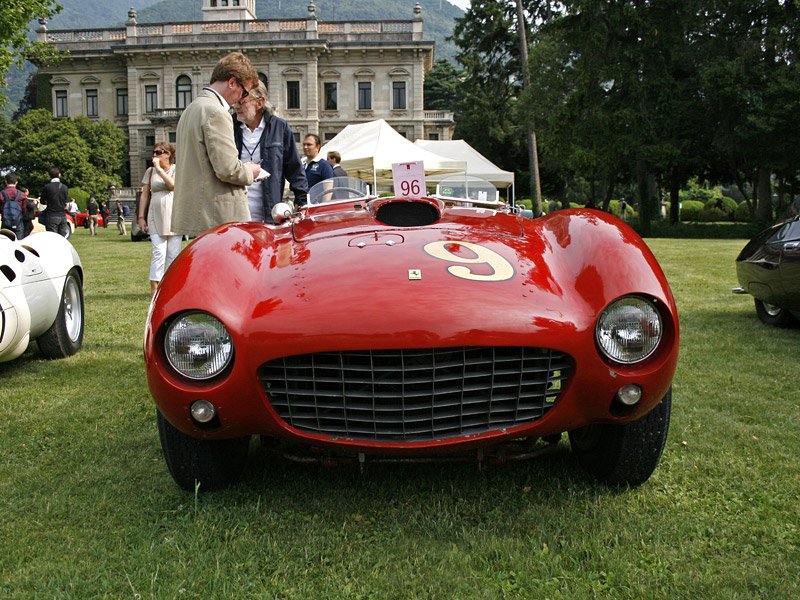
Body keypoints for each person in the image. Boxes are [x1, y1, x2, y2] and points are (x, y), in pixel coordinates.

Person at [172, 52, 263, 236]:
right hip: (217, 217)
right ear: (232, 82)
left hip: (199, 213)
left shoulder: (192, 109)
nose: (241, 98)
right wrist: (251, 172)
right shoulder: (216, 112)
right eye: (244, 91)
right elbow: (227, 169)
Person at [232, 81, 308, 223]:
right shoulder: (229, 127)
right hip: (234, 214)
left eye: (241, 102)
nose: (235, 106)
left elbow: (294, 168)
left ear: (259, 103)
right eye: (235, 101)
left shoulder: (280, 127)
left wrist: (302, 201)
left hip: (270, 215)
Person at [137, 142, 181, 295]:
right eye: (153, 152)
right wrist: (141, 216)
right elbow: (144, 195)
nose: (154, 155)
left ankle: (169, 287)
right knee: (159, 253)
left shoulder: (177, 169)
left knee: (173, 255)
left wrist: (160, 170)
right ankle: (155, 289)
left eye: (157, 152)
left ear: (167, 154)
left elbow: (172, 186)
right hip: (155, 215)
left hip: (174, 215)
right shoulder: (150, 171)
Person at [39, 167, 70, 237]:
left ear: (49, 175)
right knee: (62, 238)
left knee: (53, 238)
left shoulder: (47, 187)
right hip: (62, 215)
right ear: (59, 175)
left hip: (51, 215)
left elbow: (42, 201)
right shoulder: (65, 187)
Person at [1, 173, 28, 239]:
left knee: (5, 243)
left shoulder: (1, 194)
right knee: (18, 244)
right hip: (18, 222)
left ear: (5, 181)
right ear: (16, 182)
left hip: (5, 221)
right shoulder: (21, 194)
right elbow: (24, 209)